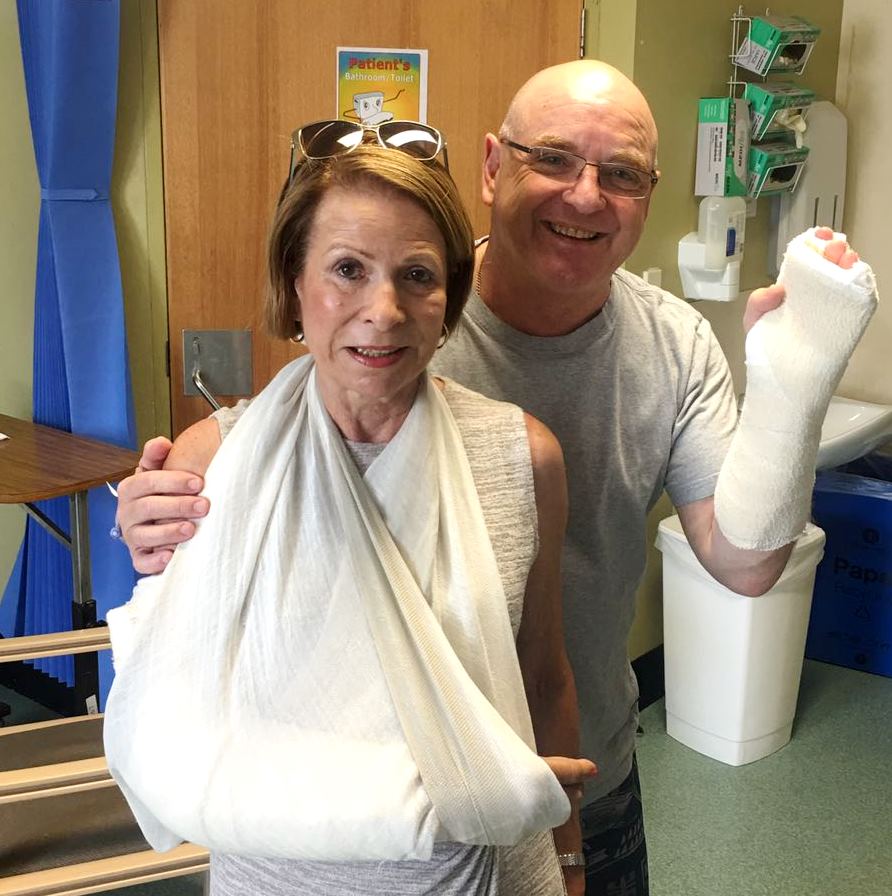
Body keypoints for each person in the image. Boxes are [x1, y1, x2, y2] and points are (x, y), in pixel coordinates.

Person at [115, 62, 876, 896]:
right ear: (491, 166)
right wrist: (157, 514)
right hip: (297, 856)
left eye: (621, 174)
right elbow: (219, 609)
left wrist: (791, 394)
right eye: (551, 157)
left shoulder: (650, 362)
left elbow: (745, 564)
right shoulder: (338, 374)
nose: (585, 195)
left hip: (569, 775)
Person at [104, 129, 597, 896]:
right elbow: (175, 701)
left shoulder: (522, 460)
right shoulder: (213, 462)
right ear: (294, 282)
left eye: (417, 275)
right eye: (347, 269)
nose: (384, 310)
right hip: (275, 880)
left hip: (485, 877)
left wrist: (569, 859)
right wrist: (139, 539)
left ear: (448, 298)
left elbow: (544, 677)